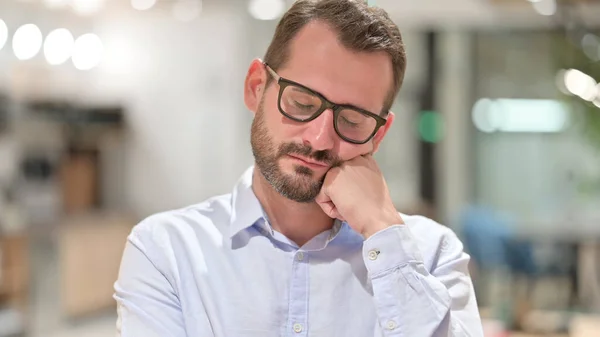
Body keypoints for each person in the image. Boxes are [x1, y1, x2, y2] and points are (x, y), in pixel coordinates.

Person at [113, 0, 483, 336]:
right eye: (302, 103)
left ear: (378, 134)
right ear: (256, 88)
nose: (320, 139)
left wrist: (382, 229)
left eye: (352, 120)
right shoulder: (167, 252)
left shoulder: (431, 254)